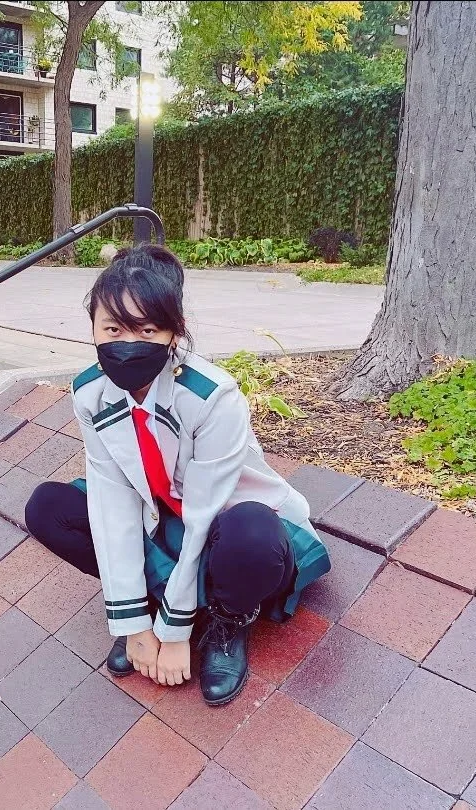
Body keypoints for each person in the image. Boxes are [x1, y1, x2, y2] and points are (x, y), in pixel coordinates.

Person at [25, 245, 331, 706]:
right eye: (112, 328)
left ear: (174, 333)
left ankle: (227, 619)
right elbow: (112, 499)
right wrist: (135, 626)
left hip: (228, 527)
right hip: (165, 521)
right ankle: (157, 599)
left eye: (147, 329)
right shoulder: (90, 393)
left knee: (251, 534)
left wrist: (173, 633)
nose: (127, 343)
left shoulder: (211, 396)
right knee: (49, 507)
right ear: (91, 327)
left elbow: (205, 514)